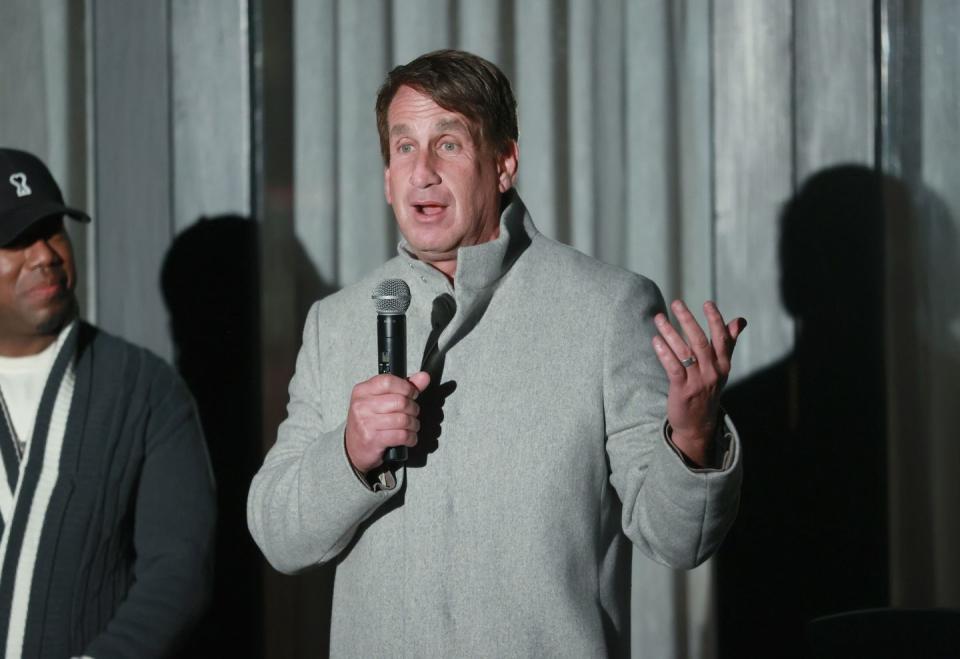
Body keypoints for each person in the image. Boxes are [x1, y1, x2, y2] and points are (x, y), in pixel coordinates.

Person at [248, 49, 745, 657]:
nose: (422, 171)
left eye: (449, 144)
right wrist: (351, 454)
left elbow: (678, 540)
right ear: (385, 176)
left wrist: (691, 440)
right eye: (404, 147)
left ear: (504, 162)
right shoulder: (336, 322)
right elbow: (278, 535)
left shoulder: (607, 309)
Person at [0, 148, 215, 658]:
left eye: (53, 230)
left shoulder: (145, 389)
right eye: (17, 240)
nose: (46, 255)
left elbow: (179, 569)